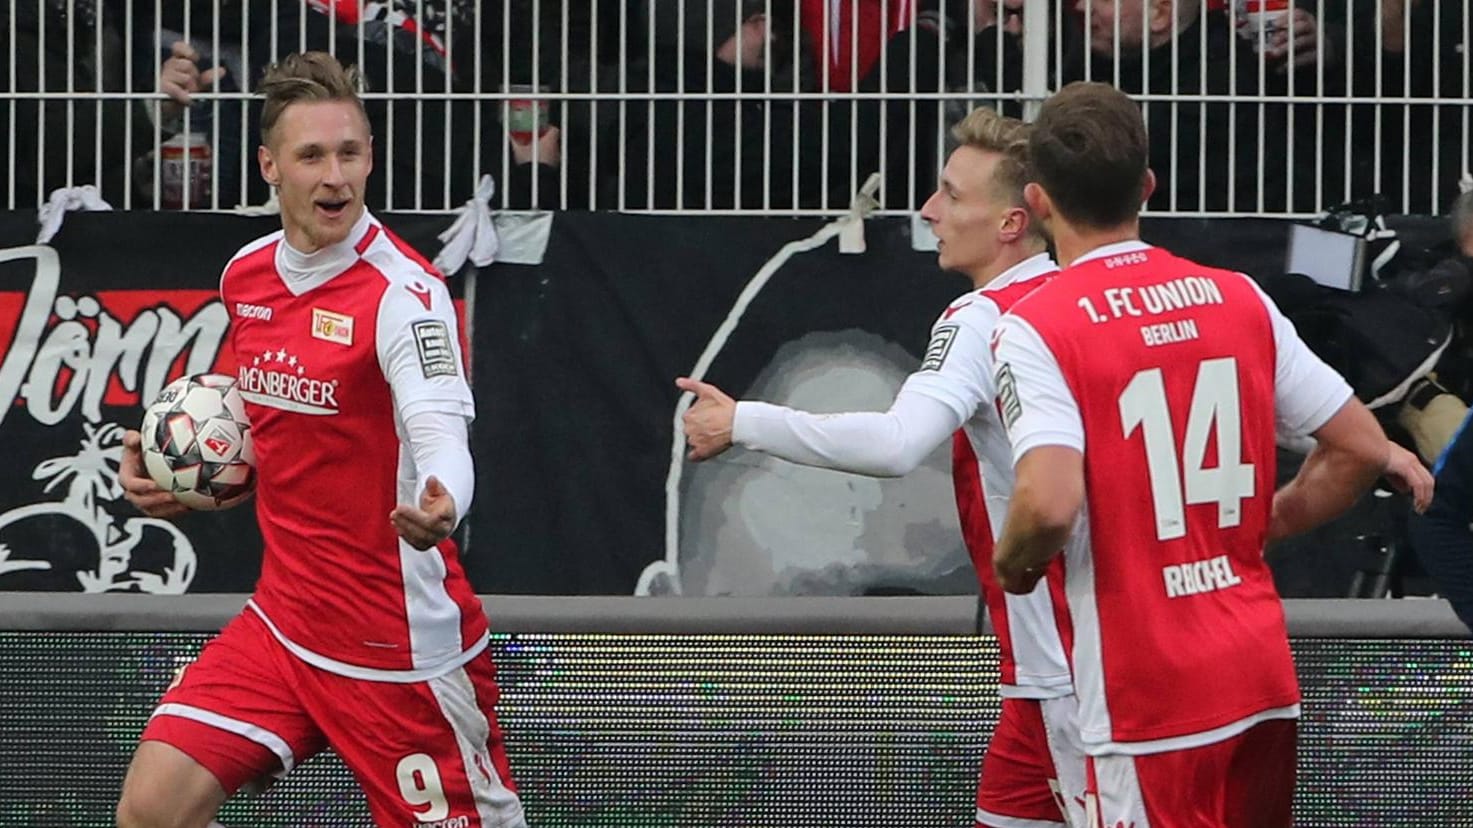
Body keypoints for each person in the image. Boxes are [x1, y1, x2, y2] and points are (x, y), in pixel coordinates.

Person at [988, 81, 1429, 828]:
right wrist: (1260, 524)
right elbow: (1357, 446)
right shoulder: (1236, 297)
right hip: (1254, 673)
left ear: (1035, 201)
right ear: (1147, 184)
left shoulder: (1035, 326)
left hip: (1145, 698)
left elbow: (1047, 502)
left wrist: (1013, 566)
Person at [114, 52, 526, 828]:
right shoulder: (247, 276)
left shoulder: (407, 296)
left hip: (398, 653)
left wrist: (444, 500)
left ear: (370, 157)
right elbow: (257, 427)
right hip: (284, 625)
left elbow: (439, 429)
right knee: (150, 809)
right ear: (270, 166)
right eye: (312, 155)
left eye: (350, 152)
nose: (335, 175)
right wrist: (178, 481)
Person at [680, 107, 1086, 828]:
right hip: (1049, 670)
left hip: (1072, 668)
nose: (927, 211)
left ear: (1011, 223)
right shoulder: (1083, 299)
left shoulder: (981, 320)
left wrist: (743, 420)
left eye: (951, 195)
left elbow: (896, 443)